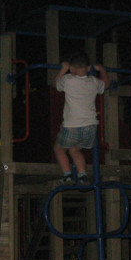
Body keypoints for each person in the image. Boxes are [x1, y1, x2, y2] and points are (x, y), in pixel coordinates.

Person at [53, 51, 109, 185]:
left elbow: (55, 84)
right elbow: (106, 84)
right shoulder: (94, 82)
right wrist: (102, 70)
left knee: (59, 149)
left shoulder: (68, 80)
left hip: (72, 125)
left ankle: (67, 175)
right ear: (88, 68)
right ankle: (82, 175)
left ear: (72, 69)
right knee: (75, 149)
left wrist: (63, 69)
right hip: (90, 127)